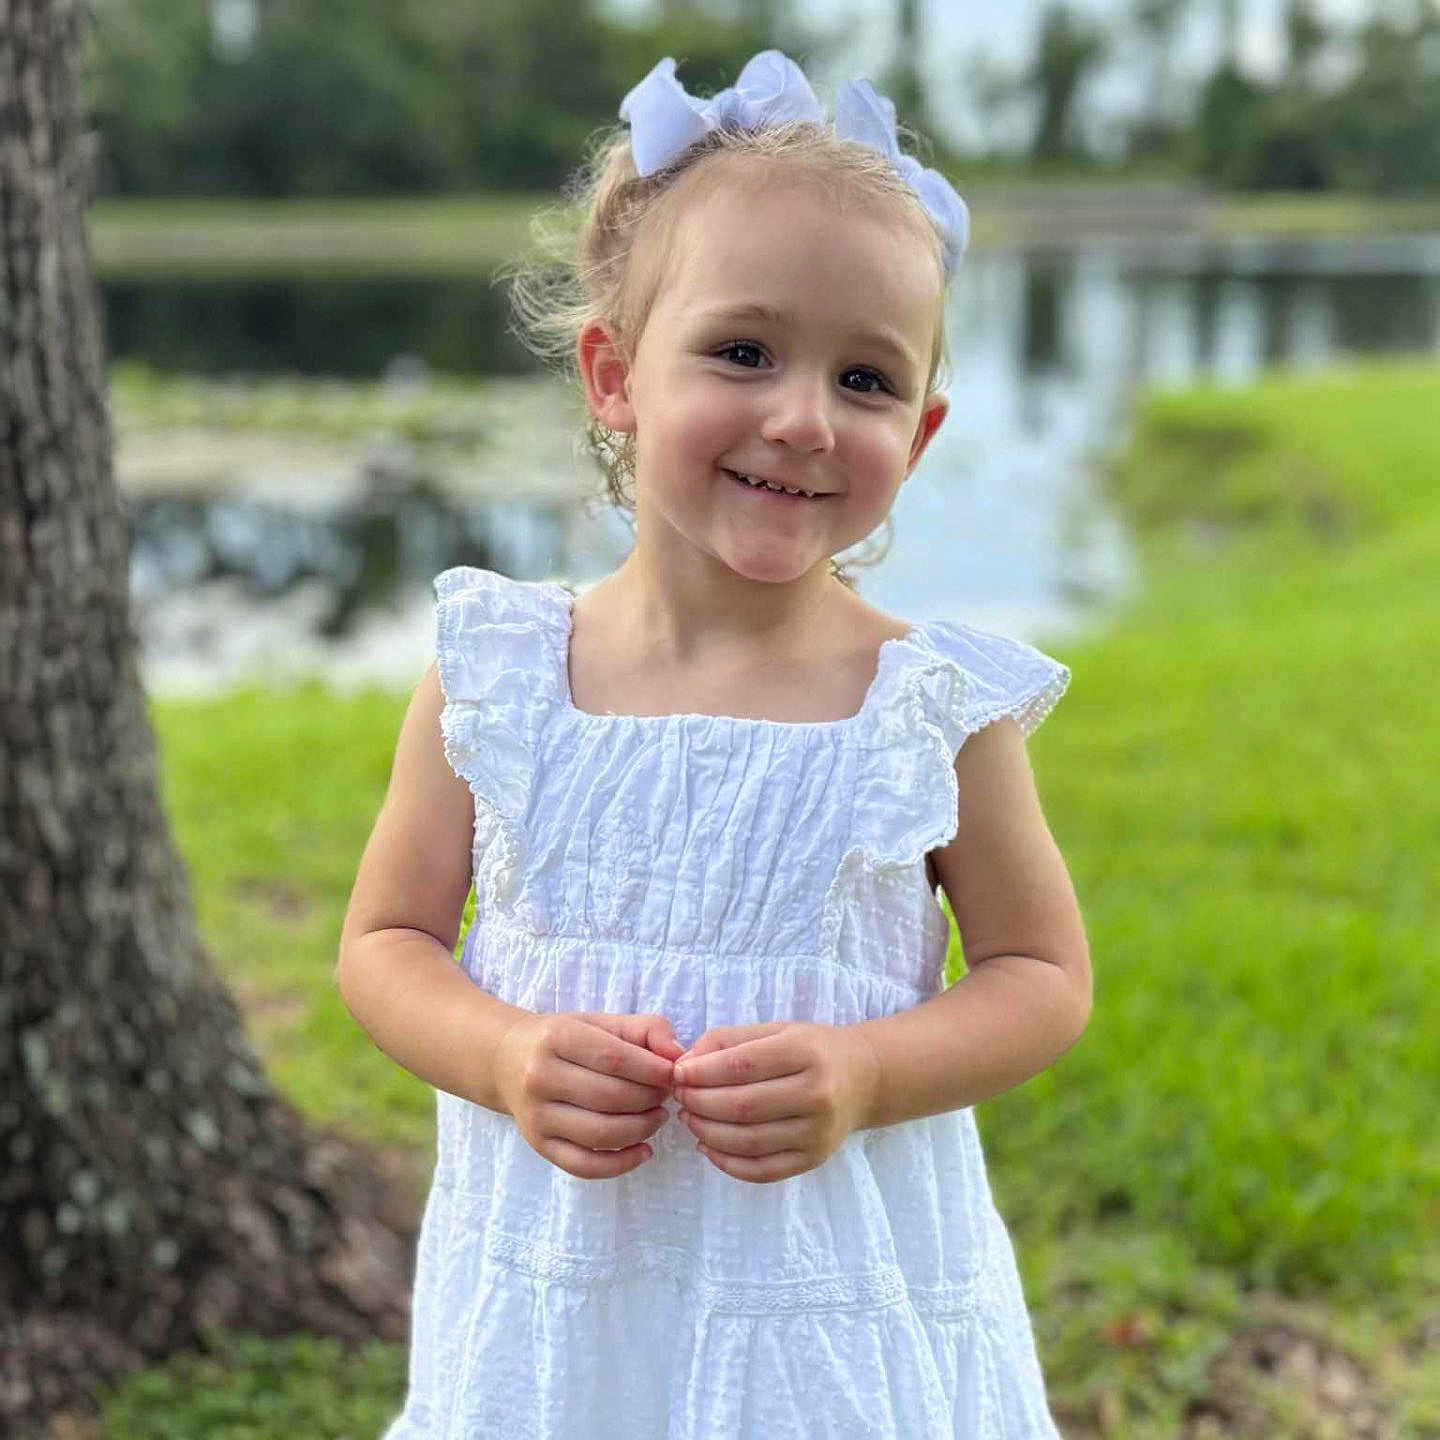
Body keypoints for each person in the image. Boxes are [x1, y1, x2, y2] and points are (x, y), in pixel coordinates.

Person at [336, 49, 1091, 1440]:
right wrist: (504, 1055)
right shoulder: (498, 679)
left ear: (920, 435)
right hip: (563, 1303)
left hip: (829, 1307)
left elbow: (1042, 978)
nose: (802, 419)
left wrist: (869, 1073)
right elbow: (386, 943)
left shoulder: (929, 707)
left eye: (865, 379)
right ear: (614, 375)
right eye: (743, 353)